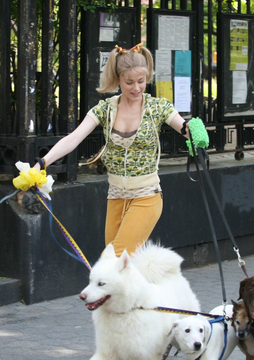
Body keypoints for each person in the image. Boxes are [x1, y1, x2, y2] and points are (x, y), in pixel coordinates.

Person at [31, 43, 189, 257]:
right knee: (113, 264)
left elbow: (184, 127)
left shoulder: (157, 107)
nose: (136, 88)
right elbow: (74, 138)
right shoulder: (105, 109)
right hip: (115, 196)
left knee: (116, 260)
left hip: (146, 196)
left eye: (141, 81)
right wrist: (43, 163)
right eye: (129, 82)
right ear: (118, 79)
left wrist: (195, 133)